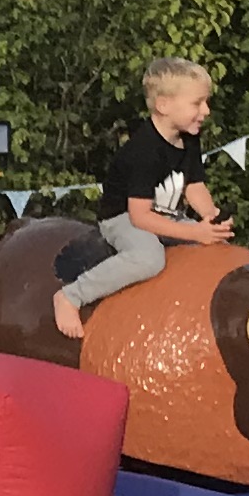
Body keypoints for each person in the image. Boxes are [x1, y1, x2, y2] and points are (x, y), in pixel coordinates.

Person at [54, 57, 234, 342]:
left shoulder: (189, 139)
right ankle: (71, 296)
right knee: (148, 258)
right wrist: (193, 232)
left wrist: (211, 218)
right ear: (163, 105)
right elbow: (140, 216)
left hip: (165, 216)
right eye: (197, 103)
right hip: (124, 217)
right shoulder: (144, 151)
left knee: (217, 246)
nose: (206, 111)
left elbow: (194, 186)